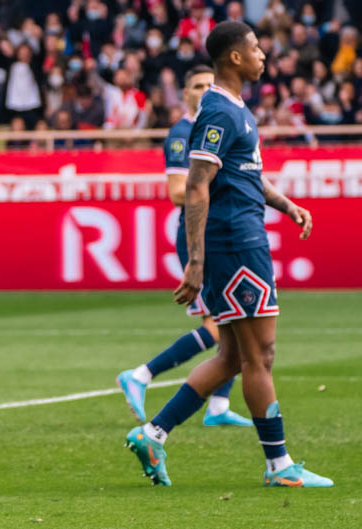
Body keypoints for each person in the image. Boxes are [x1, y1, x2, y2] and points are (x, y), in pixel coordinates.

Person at [124, 22, 331, 488]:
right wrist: (196, 261)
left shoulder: (235, 108)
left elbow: (245, 174)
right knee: (261, 355)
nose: (263, 55)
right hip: (235, 242)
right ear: (235, 57)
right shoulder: (218, 110)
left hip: (241, 236)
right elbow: (197, 185)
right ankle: (279, 466)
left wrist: (287, 205)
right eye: (255, 48)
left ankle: (152, 434)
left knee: (234, 356)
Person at [116, 65, 251, 429]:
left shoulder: (219, 123)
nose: (205, 90)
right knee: (219, 327)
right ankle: (141, 375)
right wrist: (222, 189)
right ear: (185, 93)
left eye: (210, 84)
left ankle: (219, 405)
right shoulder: (182, 133)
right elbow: (178, 190)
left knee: (236, 321)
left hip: (220, 231)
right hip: (199, 236)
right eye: (197, 85)